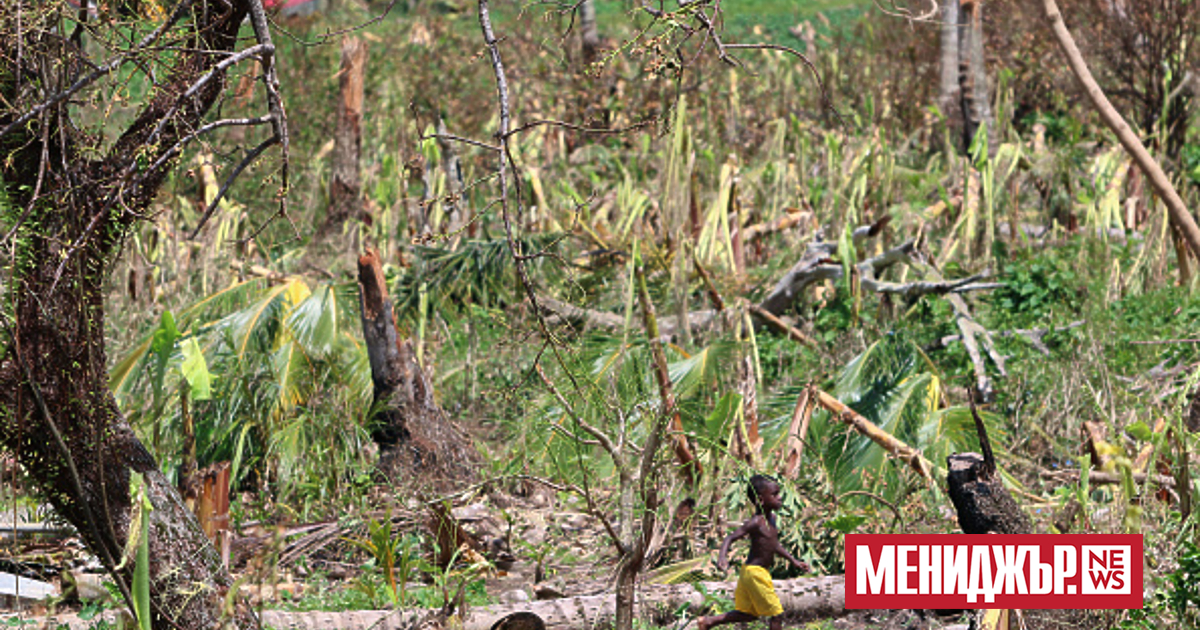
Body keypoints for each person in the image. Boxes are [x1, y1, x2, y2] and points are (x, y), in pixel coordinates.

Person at [698, 475, 809, 630]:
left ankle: (709, 622)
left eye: (778, 493)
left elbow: (773, 544)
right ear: (761, 500)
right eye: (774, 494)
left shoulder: (772, 519)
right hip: (755, 573)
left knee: (749, 614)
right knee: (776, 614)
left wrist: (793, 560)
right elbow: (730, 537)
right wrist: (722, 557)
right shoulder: (756, 522)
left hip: (751, 572)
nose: (780, 498)